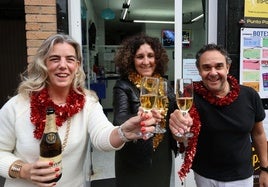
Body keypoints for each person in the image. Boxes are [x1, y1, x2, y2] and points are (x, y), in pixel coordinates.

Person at [0, 34, 160, 187]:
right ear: (44, 63)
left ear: (77, 66)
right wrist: (22, 170)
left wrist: (123, 132)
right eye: (55, 59)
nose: (63, 65)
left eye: (70, 59)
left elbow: (102, 135)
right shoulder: (17, 106)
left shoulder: (87, 103)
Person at [169, 43, 268, 186]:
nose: (213, 72)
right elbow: (180, 137)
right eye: (206, 67)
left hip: (241, 177)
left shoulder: (249, 95)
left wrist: (265, 168)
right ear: (199, 70)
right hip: (205, 176)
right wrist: (178, 130)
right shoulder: (188, 97)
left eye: (219, 66)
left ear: (228, 67)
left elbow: (258, 134)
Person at [112, 33, 178, 187]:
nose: (146, 61)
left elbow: (175, 113)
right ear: (131, 59)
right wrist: (140, 117)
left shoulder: (165, 84)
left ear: (158, 58)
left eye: (150, 56)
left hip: (162, 155)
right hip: (133, 157)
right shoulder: (123, 85)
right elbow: (119, 120)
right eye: (140, 56)